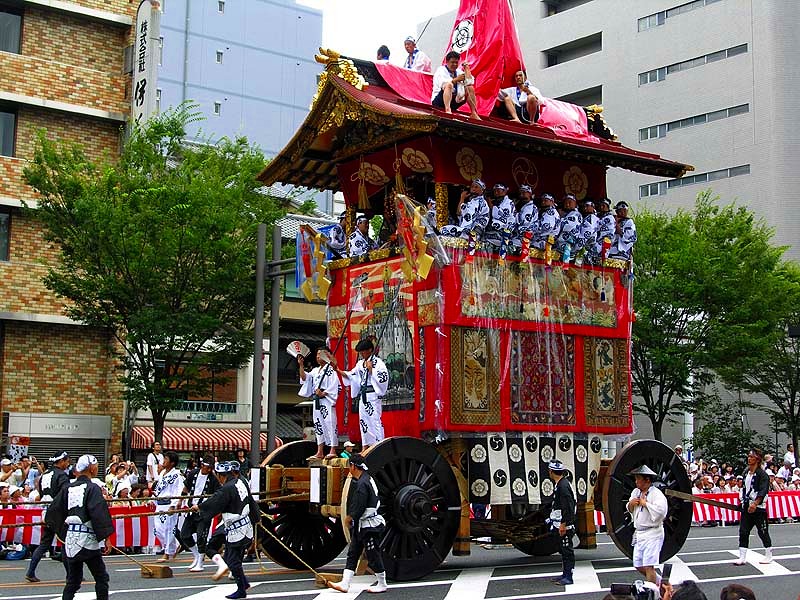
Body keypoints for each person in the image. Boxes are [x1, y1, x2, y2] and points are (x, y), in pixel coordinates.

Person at [45, 454, 113, 600]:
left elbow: (54, 511)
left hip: (70, 539)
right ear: (91, 468)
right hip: (87, 540)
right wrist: (106, 538)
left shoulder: (68, 488)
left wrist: (61, 532)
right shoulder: (92, 488)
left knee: (73, 581)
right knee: (101, 577)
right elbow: (99, 513)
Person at [195, 461, 258, 599]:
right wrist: (256, 519)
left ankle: (241, 589)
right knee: (232, 557)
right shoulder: (240, 482)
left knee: (232, 561)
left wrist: (200, 507)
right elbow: (251, 501)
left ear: (219, 475)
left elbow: (215, 501)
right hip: (245, 526)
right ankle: (244, 584)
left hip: (237, 529)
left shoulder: (226, 488)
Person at [328, 454, 388, 593]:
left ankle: (382, 583)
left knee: (373, 554)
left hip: (369, 525)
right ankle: (345, 583)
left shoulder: (362, 484)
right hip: (361, 525)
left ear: (353, 466)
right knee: (353, 552)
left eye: (350, 465)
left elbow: (359, 506)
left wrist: (349, 517)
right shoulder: (367, 478)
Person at [332, 338, 389, 450]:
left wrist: (371, 370)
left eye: (364, 351)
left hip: (373, 394)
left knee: (374, 419)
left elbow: (383, 378)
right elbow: (351, 376)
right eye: (361, 351)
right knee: (363, 420)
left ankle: (378, 444)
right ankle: (365, 445)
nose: (362, 354)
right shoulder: (359, 364)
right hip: (363, 396)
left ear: (370, 350)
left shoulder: (378, 363)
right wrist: (337, 370)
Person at [25, 450, 71, 582]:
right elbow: (65, 494)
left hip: (45, 511)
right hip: (58, 513)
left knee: (45, 543)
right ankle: (70, 575)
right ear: (61, 461)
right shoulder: (61, 475)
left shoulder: (44, 475)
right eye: (67, 461)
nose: (68, 464)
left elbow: (39, 491)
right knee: (64, 543)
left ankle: (30, 571)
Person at [626, 465, 668, 584]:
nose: (636, 481)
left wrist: (646, 504)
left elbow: (661, 511)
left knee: (649, 566)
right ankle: (663, 584)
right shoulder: (635, 492)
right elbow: (629, 508)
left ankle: (652, 591)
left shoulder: (656, 494)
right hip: (640, 533)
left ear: (647, 480)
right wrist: (631, 503)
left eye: (638, 478)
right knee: (638, 564)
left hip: (653, 532)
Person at [298, 347, 340, 460]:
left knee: (330, 423)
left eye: (320, 354)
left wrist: (324, 393)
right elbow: (304, 378)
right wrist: (301, 365)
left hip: (326, 399)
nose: (318, 357)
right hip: (317, 400)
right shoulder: (315, 370)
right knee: (318, 425)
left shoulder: (330, 369)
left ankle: (332, 449)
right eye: (317, 354)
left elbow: (335, 385)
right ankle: (320, 450)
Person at [181, 454, 221, 572]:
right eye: (207, 467)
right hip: (190, 509)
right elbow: (185, 488)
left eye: (210, 468)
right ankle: (196, 555)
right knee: (185, 535)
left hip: (204, 512)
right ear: (202, 465)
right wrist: (180, 501)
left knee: (201, 537)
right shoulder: (193, 473)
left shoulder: (213, 479)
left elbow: (217, 496)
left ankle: (200, 562)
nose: (209, 470)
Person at [735, 447, 773, 565]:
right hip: (747, 505)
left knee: (762, 531)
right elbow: (744, 488)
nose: (749, 458)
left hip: (759, 507)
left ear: (757, 459)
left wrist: (756, 503)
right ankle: (742, 557)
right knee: (743, 531)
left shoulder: (763, 475)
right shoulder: (746, 472)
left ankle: (768, 554)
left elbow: (763, 490)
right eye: (749, 456)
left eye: (751, 457)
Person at [547, 460, 576, 586]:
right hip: (560, 522)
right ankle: (565, 573)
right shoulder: (561, 484)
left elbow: (567, 506)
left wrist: (564, 524)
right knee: (563, 549)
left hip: (565, 524)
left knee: (566, 549)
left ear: (551, 471)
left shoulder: (563, 486)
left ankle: (568, 576)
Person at [152, 450, 184, 562]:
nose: (163, 461)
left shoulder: (177, 475)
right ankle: (175, 546)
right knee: (157, 529)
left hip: (169, 503)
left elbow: (179, 490)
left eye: (166, 459)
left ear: (172, 463)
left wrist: (174, 505)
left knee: (169, 529)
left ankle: (166, 553)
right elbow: (158, 489)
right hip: (159, 504)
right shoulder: (162, 473)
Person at [431, 51, 480, 119]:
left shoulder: (458, 71)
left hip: (455, 100)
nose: (454, 64)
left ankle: (474, 113)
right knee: (449, 85)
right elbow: (444, 84)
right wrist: (456, 80)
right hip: (440, 101)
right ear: (447, 62)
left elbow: (470, 82)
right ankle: (448, 110)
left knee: (470, 88)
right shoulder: (441, 70)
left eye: (456, 63)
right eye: (452, 62)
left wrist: (467, 68)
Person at [483, 183, 517, 253]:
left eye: (498, 191)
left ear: (504, 191)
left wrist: (490, 205)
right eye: (495, 191)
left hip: (504, 233)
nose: (496, 193)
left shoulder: (508, 202)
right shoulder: (498, 202)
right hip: (495, 233)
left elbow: (500, 216)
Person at [555, 194, 582, 261]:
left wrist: (559, 219)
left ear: (575, 204)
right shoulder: (567, 214)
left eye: (570, 202)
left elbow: (568, 226)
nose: (567, 204)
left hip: (567, 246)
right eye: (566, 202)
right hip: (559, 246)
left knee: (564, 267)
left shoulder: (576, 214)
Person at [575, 199, 598, 264]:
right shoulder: (588, 217)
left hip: (585, 247)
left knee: (580, 268)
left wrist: (577, 246)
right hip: (584, 246)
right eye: (584, 206)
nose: (585, 208)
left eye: (587, 206)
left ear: (593, 207)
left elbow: (587, 233)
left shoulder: (592, 218)